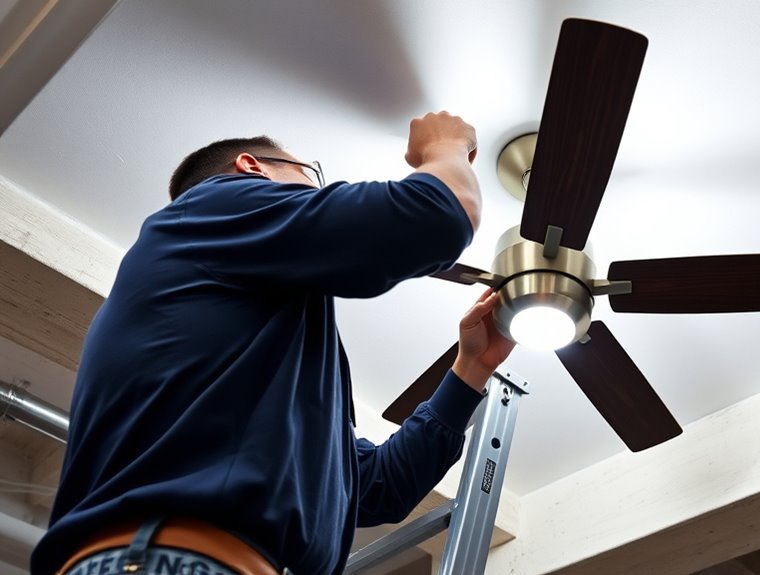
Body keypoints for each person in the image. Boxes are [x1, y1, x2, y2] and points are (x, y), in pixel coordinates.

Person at [32, 111, 515, 574]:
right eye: (312, 176)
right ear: (250, 167)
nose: (319, 196)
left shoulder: (265, 356)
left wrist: (471, 368)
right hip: (172, 558)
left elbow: (377, 486)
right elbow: (435, 217)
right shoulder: (215, 204)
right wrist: (445, 145)